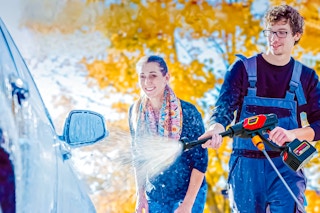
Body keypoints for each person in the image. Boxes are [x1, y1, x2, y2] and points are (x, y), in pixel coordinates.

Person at [200, 4, 320, 213]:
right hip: (246, 168)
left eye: (282, 32)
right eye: (270, 32)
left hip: (287, 167)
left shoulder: (306, 77)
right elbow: (224, 109)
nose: (275, 38)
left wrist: (292, 134)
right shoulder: (242, 70)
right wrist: (216, 127)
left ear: (297, 35)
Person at [128, 55, 208, 213]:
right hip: (156, 196)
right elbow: (138, 157)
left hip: (187, 194)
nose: (147, 82)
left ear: (166, 77)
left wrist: (187, 205)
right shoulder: (136, 112)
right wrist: (141, 194)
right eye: (142, 77)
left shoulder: (188, 112)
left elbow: (200, 161)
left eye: (153, 76)